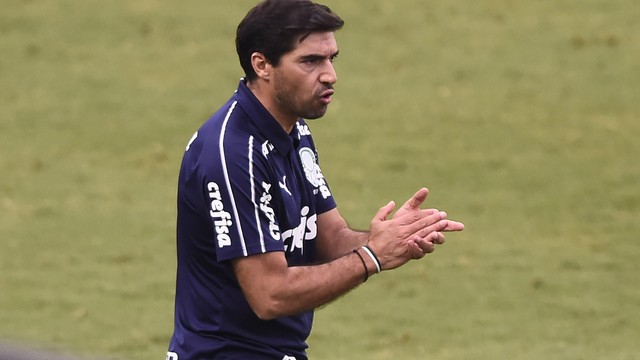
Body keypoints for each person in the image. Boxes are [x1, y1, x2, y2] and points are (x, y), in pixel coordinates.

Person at [166, 0, 464, 359]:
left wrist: (389, 238)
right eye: (310, 61)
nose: (330, 75)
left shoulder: (293, 129)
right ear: (262, 65)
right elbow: (269, 294)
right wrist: (371, 257)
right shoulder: (231, 154)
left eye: (331, 59)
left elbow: (330, 236)